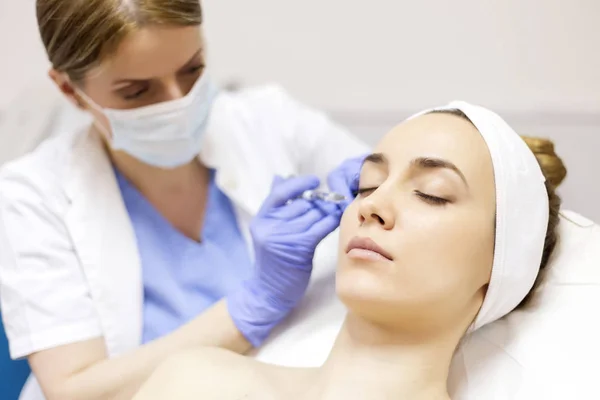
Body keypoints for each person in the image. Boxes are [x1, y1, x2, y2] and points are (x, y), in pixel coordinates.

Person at [0, 1, 368, 399]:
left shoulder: (268, 121)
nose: (178, 101)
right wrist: (253, 306)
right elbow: (75, 390)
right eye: (137, 91)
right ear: (69, 89)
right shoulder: (32, 196)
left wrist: (389, 173)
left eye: (192, 70)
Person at [131, 101, 566, 400]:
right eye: (367, 185)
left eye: (432, 194)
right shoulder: (197, 382)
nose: (372, 205)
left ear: (501, 262)